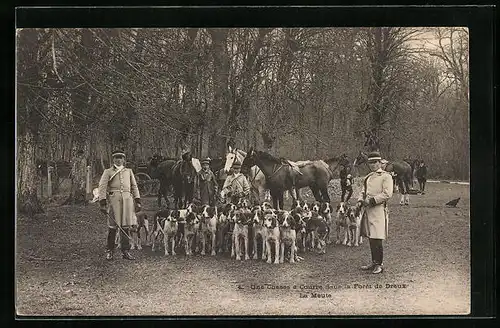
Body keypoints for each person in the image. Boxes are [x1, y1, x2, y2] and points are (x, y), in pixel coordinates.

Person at [98, 150, 141, 261]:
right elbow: (102, 187)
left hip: (127, 200)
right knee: (113, 227)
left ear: (124, 160)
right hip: (114, 200)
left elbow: (134, 186)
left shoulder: (129, 171)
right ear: (113, 160)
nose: (118, 160)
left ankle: (125, 251)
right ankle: (110, 251)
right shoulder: (108, 172)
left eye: (121, 158)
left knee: (125, 227)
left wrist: (138, 200)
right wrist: (102, 203)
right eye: (116, 158)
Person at [356, 151, 393, 274]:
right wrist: (360, 200)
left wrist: (372, 201)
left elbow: (387, 194)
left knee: (378, 237)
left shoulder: (386, 176)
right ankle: (373, 262)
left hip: (378, 209)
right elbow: (363, 191)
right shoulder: (369, 176)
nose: (372, 165)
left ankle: (380, 264)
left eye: (375, 162)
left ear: (380, 162)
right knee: (371, 237)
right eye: (370, 163)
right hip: (368, 210)